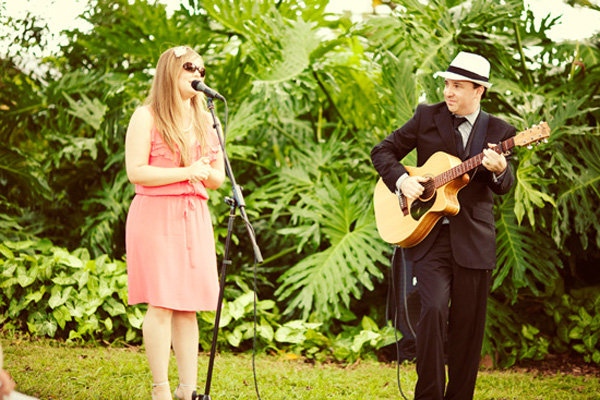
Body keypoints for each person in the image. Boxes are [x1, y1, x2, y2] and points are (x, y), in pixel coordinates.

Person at [371, 51, 515, 400]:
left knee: (468, 328)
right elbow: (383, 152)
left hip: (474, 240)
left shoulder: (500, 132)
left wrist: (499, 170)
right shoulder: (427, 116)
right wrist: (403, 181)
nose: (448, 92)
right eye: (447, 84)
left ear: (479, 90)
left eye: (457, 86)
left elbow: (506, 186)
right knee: (432, 310)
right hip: (429, 235)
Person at [125, 45, 225, 400]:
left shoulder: (206, 118)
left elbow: (216, 178)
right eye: (189, 67)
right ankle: (160, 390)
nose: (197, 72)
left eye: (201, 68)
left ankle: (188, 390)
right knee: (162, 303)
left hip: (194, 216)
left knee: (188, 306)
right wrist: (187, 172)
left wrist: (206, 174)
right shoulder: (147, 115)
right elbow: (135, 171)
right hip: (155, 215)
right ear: (170, 72)